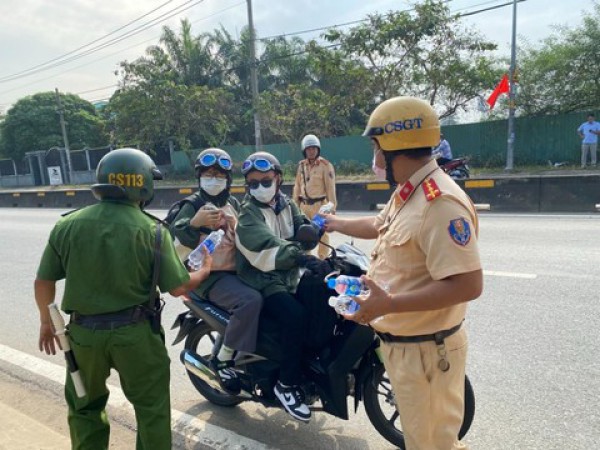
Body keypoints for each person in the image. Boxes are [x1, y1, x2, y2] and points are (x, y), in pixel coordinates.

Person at [324, 97, 483, 450]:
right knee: (423, 439)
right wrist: (333, 223)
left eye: (375, 146)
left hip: (427, 352)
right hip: (407, 349)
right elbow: (379, 226)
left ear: (393, 147)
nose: (375, 157)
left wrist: (389, 303)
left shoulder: (439, 203)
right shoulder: (408, 192)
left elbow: (468, 284)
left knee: (432, 444)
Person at [34, 148, 212, 450]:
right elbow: (179, 288)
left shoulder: (68, 224)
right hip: (136, 338)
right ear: (141, 184)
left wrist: (46, 322)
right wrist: (205, 269)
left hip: (83, 338)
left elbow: (44, 281)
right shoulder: (152, 230)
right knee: (151, 410)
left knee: (85, 408)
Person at [235, 151, 330, 423]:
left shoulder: (287, 204)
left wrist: (316, 230)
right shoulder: (247, 215)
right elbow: (266, 245)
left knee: (320, 299)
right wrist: (301, 256)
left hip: (288, 274)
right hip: (263, 278)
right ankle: (286, 385)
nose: (260, 187)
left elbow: (304, 230)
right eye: (253, 183)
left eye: (265, 180)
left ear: (278, 178)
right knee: (295, 316)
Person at [169, 148, 263, 395]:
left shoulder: (232, 202)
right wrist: (194, 224)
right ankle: (222, 361)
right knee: (249, 301)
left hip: (237, 272)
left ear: (228, 179)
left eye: (219, 175)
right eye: (209, 174)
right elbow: (173, 237)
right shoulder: (193, 205)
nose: (214, 179)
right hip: (210, 277)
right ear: (200, 176)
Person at [292, 134, 337, 259]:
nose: (311, 151)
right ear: (304, 151)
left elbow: (330, 190)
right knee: (304, 234)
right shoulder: (301, 166)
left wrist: (332, 208)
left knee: (322, 234)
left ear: (318, 149)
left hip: (320, 206)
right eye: (308, 149)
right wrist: (294, 205)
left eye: (314, 148)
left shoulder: (325, 166)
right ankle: (308, 259)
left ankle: (323, 259)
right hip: (304, 206)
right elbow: (297, 186)